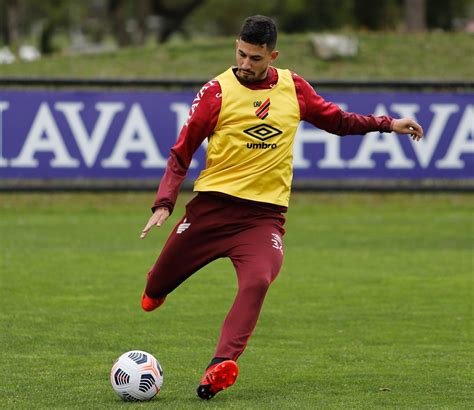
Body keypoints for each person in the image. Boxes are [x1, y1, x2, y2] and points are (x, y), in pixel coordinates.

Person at [139, 15, 423, 400]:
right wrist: (165, 202)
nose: (245, 64)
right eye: (240, 54)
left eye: (255, 58)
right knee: (154, 289)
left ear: (272, 55)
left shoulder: (293, 87)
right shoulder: (216, 93)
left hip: (263, 219)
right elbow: (181, 151)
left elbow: (338, 121)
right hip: (210, 212)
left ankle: (218, 367)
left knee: (258, 280)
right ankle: (157, 288)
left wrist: (388, 124)